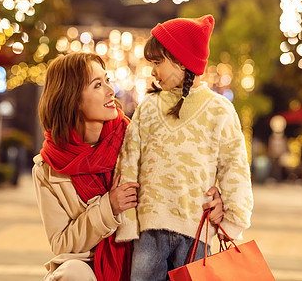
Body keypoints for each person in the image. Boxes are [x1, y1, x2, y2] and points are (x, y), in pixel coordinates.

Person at [32, 52, 224, 281]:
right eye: (97, 85)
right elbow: (61, 243)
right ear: (71, 98)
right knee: (71, 274)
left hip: (147, 256)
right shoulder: (48, 168)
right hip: (89, 265)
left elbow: (183, 181)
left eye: (107, 81)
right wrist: (108, 208)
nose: (110, 91)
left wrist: (214, 200)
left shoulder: (139, 139)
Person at [114, 15, 254, 280]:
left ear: (181, 60)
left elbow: (235, 168)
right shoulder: (148, 108)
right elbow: (128, 165)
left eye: (157, 62)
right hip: (148, 231)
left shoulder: (219, 110)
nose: (152, 71)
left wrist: (232, 218)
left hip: (198, 233)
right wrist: (128, 222)